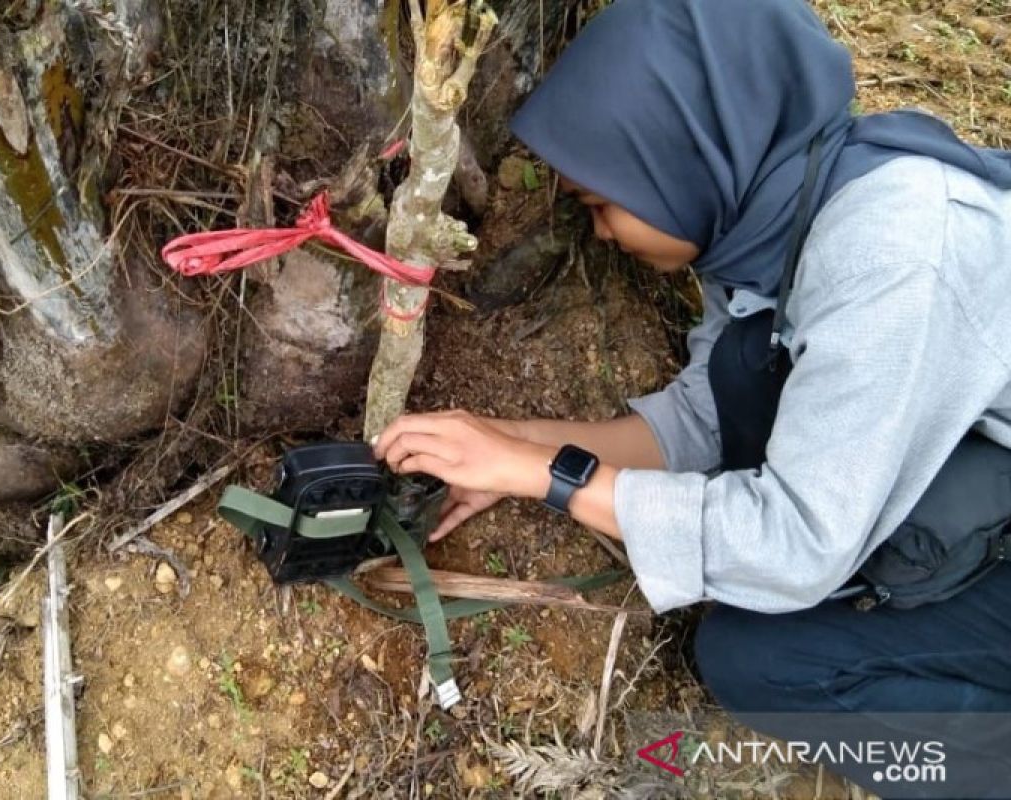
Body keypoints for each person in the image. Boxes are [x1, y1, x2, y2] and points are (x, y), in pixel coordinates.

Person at [374, 0, 1011, 796]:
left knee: (767, 667)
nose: (602, 233)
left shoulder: (892, 259)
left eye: (603, 204)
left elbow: (799, 544)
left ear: (682, 157)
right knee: (754, 649)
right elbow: (710, 413)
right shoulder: (762, 215)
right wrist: (513, 445)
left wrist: (551, 479)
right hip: (978, 482)